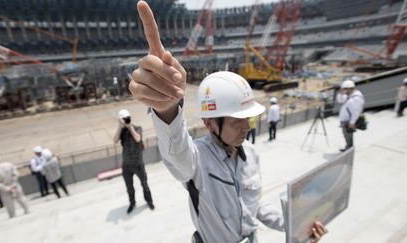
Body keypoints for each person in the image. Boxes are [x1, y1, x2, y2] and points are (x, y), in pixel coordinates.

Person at [129, 2, 328, 242]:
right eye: (237, 121)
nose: (247, 127)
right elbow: (177, 157)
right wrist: (168, 110)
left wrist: (298, 225)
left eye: (249, 119)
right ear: (211, 123)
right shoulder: (197, 161)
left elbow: (254, 205)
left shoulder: (251, 154)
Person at [113, 109, 154, 214]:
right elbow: (115, 140)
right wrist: (119, 126)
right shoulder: (122, 131)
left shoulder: (137, 128)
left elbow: (137, 139)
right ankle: (132, 203)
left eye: (127, 118)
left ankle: (149, 201)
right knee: (129, 187)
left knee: (144, 184)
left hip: (138, 164)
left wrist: (129, 126)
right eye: (124, 119)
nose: (126, 121)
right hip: (126, 165)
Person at [0, 152, 29, 218]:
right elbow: (16, 174)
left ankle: (12, 215)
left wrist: (7, 188)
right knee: (21, 198)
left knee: (8, 203)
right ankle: (27, 210)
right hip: (15, 185)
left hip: (4, 190)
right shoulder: (8, 164)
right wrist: (13, 184)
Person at [336, 80, 365, 152]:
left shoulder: (357, 98)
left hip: (349, 120)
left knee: (349, 136)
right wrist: (341, 93)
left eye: (345, 89)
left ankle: (349, 151)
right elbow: (340, 100)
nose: (344, 90)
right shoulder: (348, 95)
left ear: (350, 88)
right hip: (345, 120)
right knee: (346, 135)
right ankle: (348, 148)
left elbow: (356, 112)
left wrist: (352, 122)